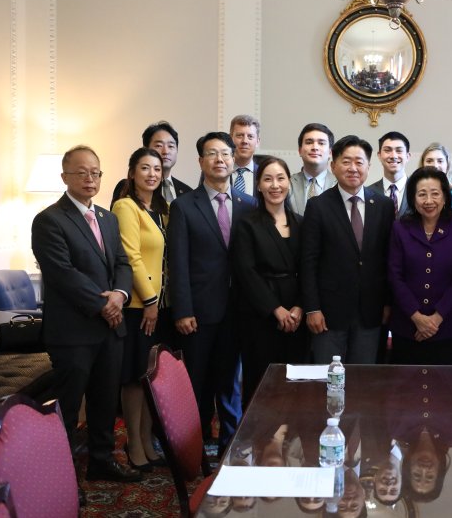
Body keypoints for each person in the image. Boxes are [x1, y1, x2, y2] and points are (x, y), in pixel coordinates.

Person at [31, 145, 140, 485]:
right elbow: (62, 273)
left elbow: (122, 263)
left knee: (105, 402)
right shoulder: (49, 220)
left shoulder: (108, 218)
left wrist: (120, 296)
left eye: (96, 172)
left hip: (110, 328)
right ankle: (60, 476)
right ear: (65, 177)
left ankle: (101, 461)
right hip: (73, 332)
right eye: (82, 172)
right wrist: (103, 303)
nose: (90, 178)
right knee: (67, 406)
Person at [167, 132, 256, 451]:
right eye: (212, 154)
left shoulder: (249, 204)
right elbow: (177, 263)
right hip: (199, 312)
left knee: (232, 382)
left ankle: (230, 443)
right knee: (198, 383)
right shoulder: (183, 206)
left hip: (238, 311)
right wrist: (183, 310)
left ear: (234, 160)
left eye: (225, 154)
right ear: (201, 161)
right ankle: (196, 444)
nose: (220, 159)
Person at [301, 135, 394, 364]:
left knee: (365, 383)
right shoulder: (318, 206)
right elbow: (308, 261)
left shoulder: (383, 205)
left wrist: (388, 302)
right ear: (333, 165)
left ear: (369, 167)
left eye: (359, 162)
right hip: (329, 314)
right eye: (346, 161)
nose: (353, 168)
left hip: (371, 313)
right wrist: (312, 308)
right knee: (328, 381)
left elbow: (388, 258)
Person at [232, 156, 308, 407]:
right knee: (261, 383)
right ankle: (259, 443)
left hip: (297, 316)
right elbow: (247, 272)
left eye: (280, 178)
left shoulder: (300, 222)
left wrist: (298, 307)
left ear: (289, 182)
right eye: (268, 179)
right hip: (260, 315)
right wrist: (276, 310)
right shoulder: (247, 224)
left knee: (295, 384)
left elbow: (308, 269)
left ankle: (293, 440)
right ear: (259, 186)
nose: (275, 185)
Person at [111, 147, 169, 471]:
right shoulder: (125, 207)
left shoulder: (158, 209)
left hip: (157, 309)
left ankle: (147, 441)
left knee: (151, 378)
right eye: (145, 168)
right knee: (133, 378)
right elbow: (131, 257)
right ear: (132, 172)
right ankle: (133, 443)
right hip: (137, 308)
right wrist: (149, 301)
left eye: (157, 169)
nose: (152, 174)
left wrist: (157, 305)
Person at [388, 166, 452, 364]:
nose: (428, 201)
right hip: (407, 326)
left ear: (444, 197)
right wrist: (417, 317)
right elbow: (394, 275)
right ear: (412, 198)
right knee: (404, 390)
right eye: (422, 194)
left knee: (444, 389)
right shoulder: (400, 228)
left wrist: (436, 319)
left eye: (435, 193)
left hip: (445, 327)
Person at [111, 121, 192, 205]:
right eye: (158, 146)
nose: (166, 151)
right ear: (146, 149)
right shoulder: (127, 186)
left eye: (171, 146)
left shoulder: (188, 192)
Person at [288, 123, 337, 215]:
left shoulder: (340, 185)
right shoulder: (287, 184)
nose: (315, 147)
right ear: (300, 151)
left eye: (321, 143)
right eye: (309, 142)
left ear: (330, 152)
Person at [419, 142, 452, 217]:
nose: (435, 165)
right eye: (429, 161)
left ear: (447, 165)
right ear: (422, 165)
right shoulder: (414, 194)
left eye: (440, 161)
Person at [370, 131, 410, 218]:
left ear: (408, 156)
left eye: (399, 151)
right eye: (387, 150)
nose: (393, 156)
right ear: (379, 156)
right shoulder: (368, 193)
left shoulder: (418, 189)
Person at [228, 114, 261, 197]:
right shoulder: (217, 171)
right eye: (240, 135)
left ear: (257, 141)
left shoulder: (264, 175)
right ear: (230, 139)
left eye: (250, 136)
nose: (245, 141)